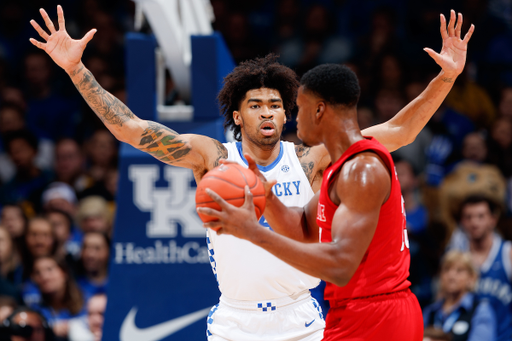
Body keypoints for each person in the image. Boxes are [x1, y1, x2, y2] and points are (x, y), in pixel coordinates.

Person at [30, 6, 473, 340]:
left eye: (276, 105)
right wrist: (76, 68)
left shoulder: (312, 158)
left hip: (301, 316)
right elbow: (131, 130)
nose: (267, 113)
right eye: (256, 105)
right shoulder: (212, 157)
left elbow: (399, 130)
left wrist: (447, 77)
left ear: (288, 115)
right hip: (234, 321)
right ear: (237, 117)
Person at [447, 195, 512, 341]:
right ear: (462, 221)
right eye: (468, 217)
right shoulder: (456, 257)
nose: (474, 222)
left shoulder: (507, 253)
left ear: (493, 220)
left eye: (480, 216)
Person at [423, 250, 496, 341]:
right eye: (446, 269)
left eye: (459, 270)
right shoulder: (430, 312)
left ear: (471, 278)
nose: (451, 276)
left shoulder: (480, 311)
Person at [30, 256, 85, 340]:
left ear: (64, 272)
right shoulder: (34, 311)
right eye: (38, 273)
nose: (44, 277)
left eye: (49, 269)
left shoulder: (86, 303)